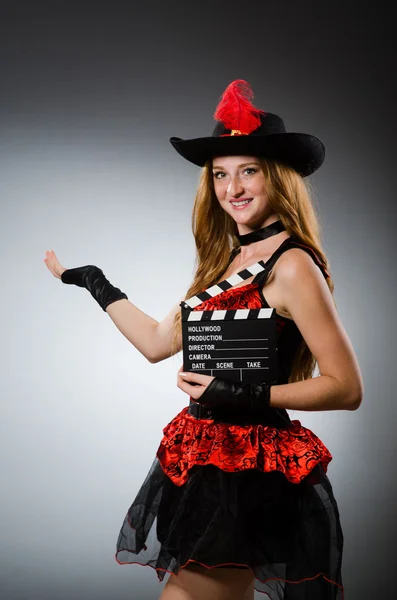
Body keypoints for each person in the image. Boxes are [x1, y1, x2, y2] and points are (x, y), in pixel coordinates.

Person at [44, 79, 363, 600]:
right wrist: (96, 282)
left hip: (248, 467)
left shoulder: (293, 264)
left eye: (248, 171)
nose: (232, 188)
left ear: (277, 178)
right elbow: (154, 343)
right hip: (206, 459)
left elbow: (346, 388)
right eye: (220, 175)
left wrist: (241, 396)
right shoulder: (227, 262)